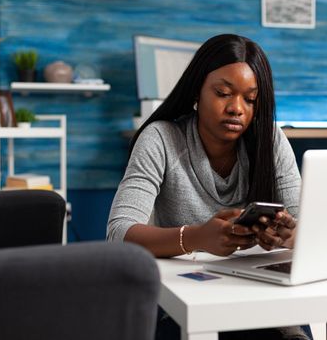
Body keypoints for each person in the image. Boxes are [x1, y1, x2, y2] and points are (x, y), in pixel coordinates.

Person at [108, 34, 312, 340]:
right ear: (197, 92)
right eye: (223, 93)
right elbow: (119, 233)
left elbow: (306, 225)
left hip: (257, 297)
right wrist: (198, 237)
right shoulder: (161, 139)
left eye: (250, 99)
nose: (237, 108)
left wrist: (288, 234)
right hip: (182, 300)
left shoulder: (270, 140)